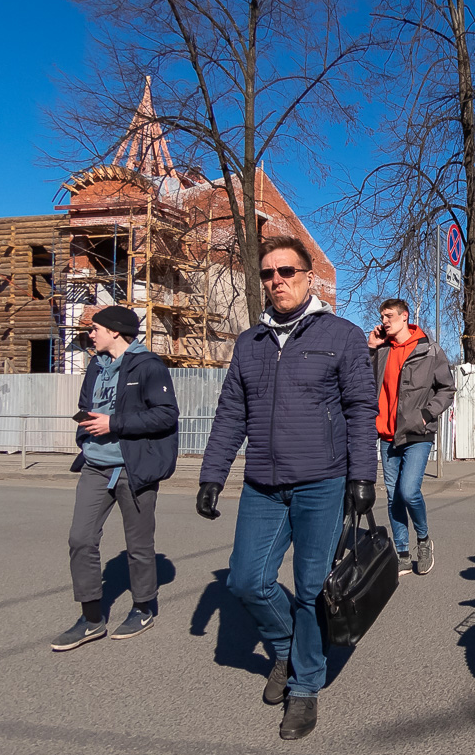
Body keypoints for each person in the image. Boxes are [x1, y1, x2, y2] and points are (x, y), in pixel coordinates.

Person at [195, 236, 377, 740]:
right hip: (262, 484)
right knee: (245, 581)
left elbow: (362, 411)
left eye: (287, 272)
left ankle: (304, 688)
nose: (277, 281)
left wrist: (363, 477)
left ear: (309, 275)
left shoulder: (342, 335)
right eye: (269, 274)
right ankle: (286, 648)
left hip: (322, 481)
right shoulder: (249, 344)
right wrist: (213, 475)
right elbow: (232, 412)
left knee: (312, 589)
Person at [52, 305, 179, 651]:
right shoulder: (96, 365)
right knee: (80, 539)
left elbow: (166, 416)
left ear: (115, 331)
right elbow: (85, 403)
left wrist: (114, 424)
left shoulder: (148, 366)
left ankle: (142, 608)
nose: (90, 334)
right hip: (95, 465)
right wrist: (86, 432)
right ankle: (91, 619)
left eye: (95, 328)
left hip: (133, 469)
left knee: (138, 546)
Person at [366, 298, 456, 575]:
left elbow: (447, 389)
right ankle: (403, 552)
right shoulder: (382, 351)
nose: (384, 321)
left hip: (417, 432)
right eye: (382, 316)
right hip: (386, 435)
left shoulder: (429, 351)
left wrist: (426, 416)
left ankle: (424, 539)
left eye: (389, 315)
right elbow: (363, 383)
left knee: (408, 491)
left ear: (405, 316)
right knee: (393, 497)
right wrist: (370, 349)